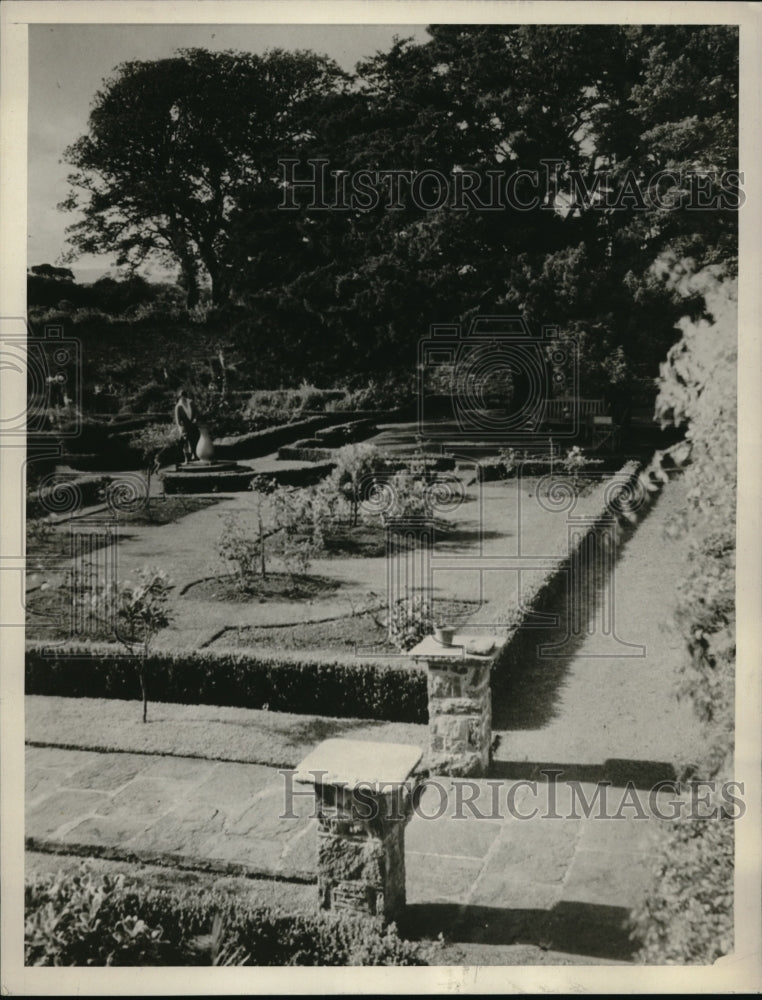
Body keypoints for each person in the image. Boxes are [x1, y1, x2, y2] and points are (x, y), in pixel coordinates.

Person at [174, 389, 200, 464]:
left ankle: (195, 455)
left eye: (184, 397)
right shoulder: (178, 406)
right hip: (184, 426)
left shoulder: (191, 402)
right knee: (185, 442)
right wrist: (182, 428)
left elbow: (196, 412)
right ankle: (186, 459)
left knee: (195, 438)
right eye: (181, 397)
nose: (183, 399)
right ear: (179, 397)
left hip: (192, 424)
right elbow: (178, 420)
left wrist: (195, 419)